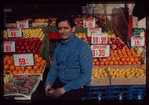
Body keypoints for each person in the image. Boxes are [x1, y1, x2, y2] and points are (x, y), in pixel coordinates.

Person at [44, 14, 93, 100]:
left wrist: (64, 89)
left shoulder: (83, 47)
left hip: (78, 86)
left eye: (66, 28)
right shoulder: (59, 47)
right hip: (62, 83)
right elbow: (54, 67)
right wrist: (49, 82)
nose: (62, 31)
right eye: (60, 29)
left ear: (73, 29)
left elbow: (86, 76)